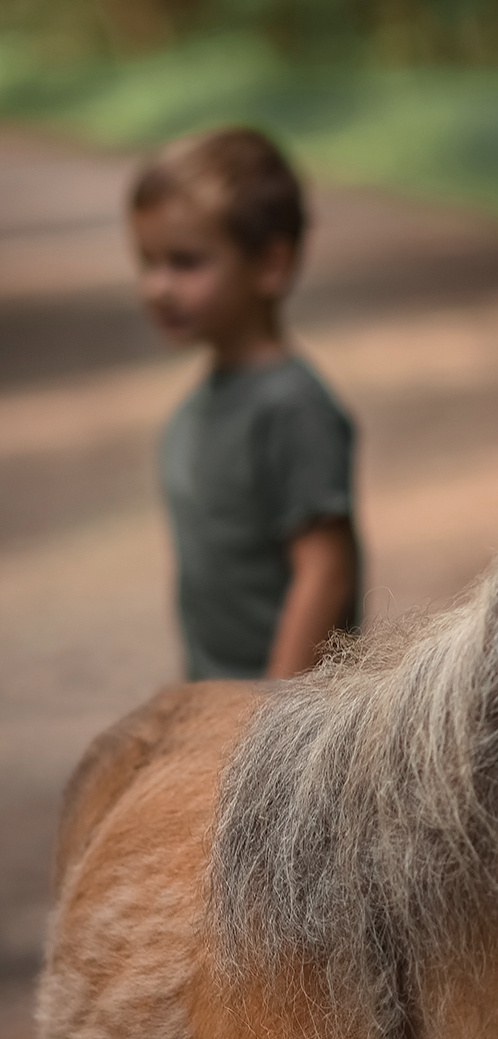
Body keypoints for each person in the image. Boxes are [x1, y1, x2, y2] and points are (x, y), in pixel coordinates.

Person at [129, 127, 360, 680]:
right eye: (147, 262)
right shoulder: (201, 404)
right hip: (219, 703)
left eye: (185, 263)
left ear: (270, 265)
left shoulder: (293, 408)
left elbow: (325, 571)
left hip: (287, 715)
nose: (158, 287)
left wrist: (269, 710)